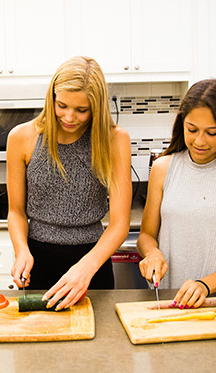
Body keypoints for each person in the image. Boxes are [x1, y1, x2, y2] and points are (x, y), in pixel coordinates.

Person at [7, 56, 132, 310]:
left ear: (96, 107)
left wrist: (85, 268)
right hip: (38, 263)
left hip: (93, 264)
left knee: (97, 346)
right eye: (61, 105)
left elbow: (120, 224)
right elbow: (15, 212)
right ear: (51, 97)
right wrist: (21, 250)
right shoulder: (22, 137)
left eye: (81, 110)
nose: (69, 117)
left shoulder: (114, 140)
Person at [137, 78, 216, 309]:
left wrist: (203, 285)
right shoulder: (163, 167)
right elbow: (146, 234)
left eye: (212, 133)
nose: (199, 141)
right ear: (182, 123)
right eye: (192, 130)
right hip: (168, 299)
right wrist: (152, 252)